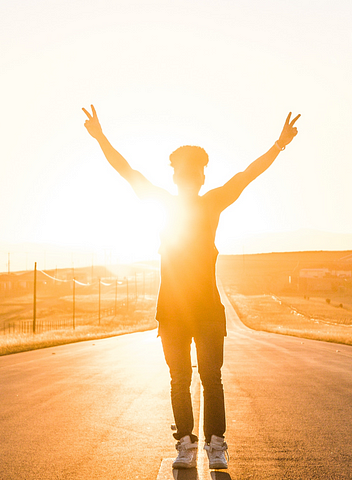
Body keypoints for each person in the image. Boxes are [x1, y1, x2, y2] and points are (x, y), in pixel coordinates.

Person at [82, 104, 300, 470]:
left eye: (196, 171)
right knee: (181, 378)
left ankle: (216, 445)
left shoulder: (211, 202)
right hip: (172, 310)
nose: (191, 176)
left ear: (201, 177)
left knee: (209, 379)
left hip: (208, 311)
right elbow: (126, 171)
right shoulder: (167, 204)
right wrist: (101, 137)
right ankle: (186, 442)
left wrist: (279, 145)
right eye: (186, 171)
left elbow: (248, 175)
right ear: (179, 177)